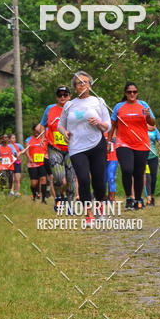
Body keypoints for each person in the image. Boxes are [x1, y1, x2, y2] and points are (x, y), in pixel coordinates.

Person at [57, 71, 111, 225]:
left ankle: (100, 206)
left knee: (99, 180)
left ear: (90, 85)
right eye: (79, 83)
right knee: (83, 179)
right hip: (76, 147)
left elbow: (108, 126)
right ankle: (88, 214)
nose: (82, 85)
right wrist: (64, 132)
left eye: (85, 82)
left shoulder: (98, 101)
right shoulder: (69, 105)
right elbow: (60, 125)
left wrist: (98, 123)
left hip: (97, 145)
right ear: (75, 88)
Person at [109, 82, 156, 210]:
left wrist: (148, 116)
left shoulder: (143, 105)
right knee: (127, 169)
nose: (132, 94)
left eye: (134, 92)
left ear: (137, 93)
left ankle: (138, 199)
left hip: (141, 144)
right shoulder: (119, 107)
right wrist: (109, 141)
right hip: (123, 143)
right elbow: (112, 125)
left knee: (139, 173)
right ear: (125, 93)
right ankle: (129, 197)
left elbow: (153, 123)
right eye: (129, 92)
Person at [41, 85, 77, 212]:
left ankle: (70, 204)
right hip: (54, 148)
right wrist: (43, 136)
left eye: (65, 95)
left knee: (71, 178)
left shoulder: (75, 108)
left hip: (72, 148)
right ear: (56, 97)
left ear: (70, 96)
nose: (62, 97)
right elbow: (43, 125)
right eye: (59, 95)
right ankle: (58, 197)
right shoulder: (50, 109)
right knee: (58, 176)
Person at [25, 125, 49, 203]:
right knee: (34, 183)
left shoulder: (44, 139)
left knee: (43, 180)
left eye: (37, 131)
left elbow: (47, 149)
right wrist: (29, 158)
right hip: (33, 164)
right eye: (34, 130)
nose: (36, 132)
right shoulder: (29, 140)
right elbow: (26, 151)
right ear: (33, 131)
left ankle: (43, 199)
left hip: (42, 162)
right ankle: (34, 195)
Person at [146, 125, 160, 205]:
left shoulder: (154, 129)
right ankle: (149, 198)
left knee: (153, 178)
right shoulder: (141, 127)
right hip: (144, 157)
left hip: (153, 157)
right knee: (147, 177)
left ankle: (152, 196)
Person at [105, 131, 118, 203]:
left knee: (111, 178)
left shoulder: (113, 131)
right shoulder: (99, 130)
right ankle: (103, 198)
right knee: (103, 179)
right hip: (102, 158)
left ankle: (112, 198)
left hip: (113, 158)